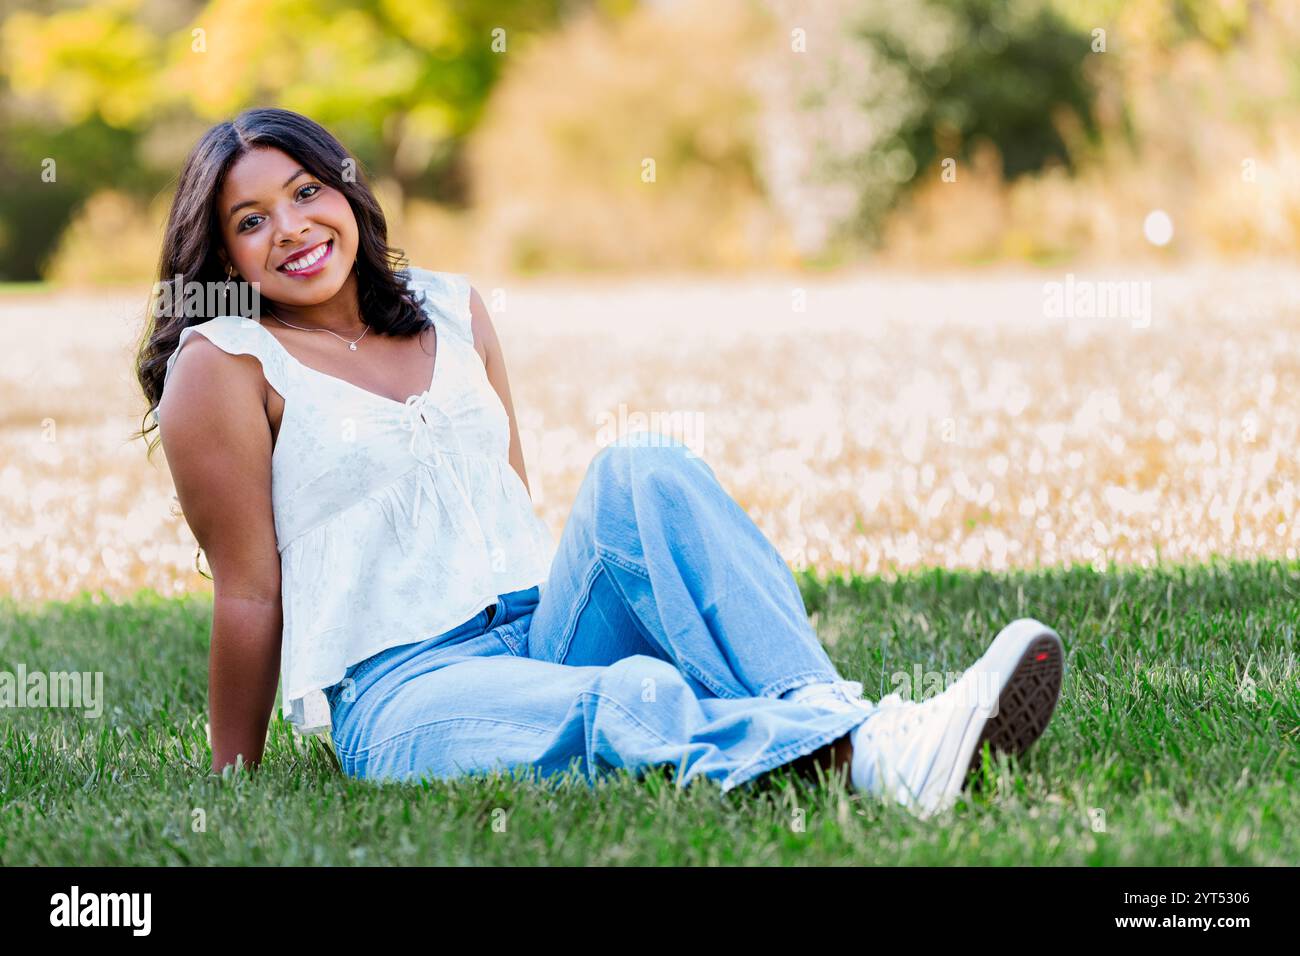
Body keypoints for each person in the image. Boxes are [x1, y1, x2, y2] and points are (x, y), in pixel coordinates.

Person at [136, 108, 1064, 819]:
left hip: (542, 623)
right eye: (251, 220)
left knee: (642, 466)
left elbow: (509, 499)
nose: (292, 228)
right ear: (223, 253)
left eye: (306, 192)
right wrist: (232, 782)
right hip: (407, 688)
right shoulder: (224, 364)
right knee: (638, 694)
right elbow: (248, 592)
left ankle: (835, 713)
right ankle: (877, 758)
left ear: (347, 191)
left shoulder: (449, 308)